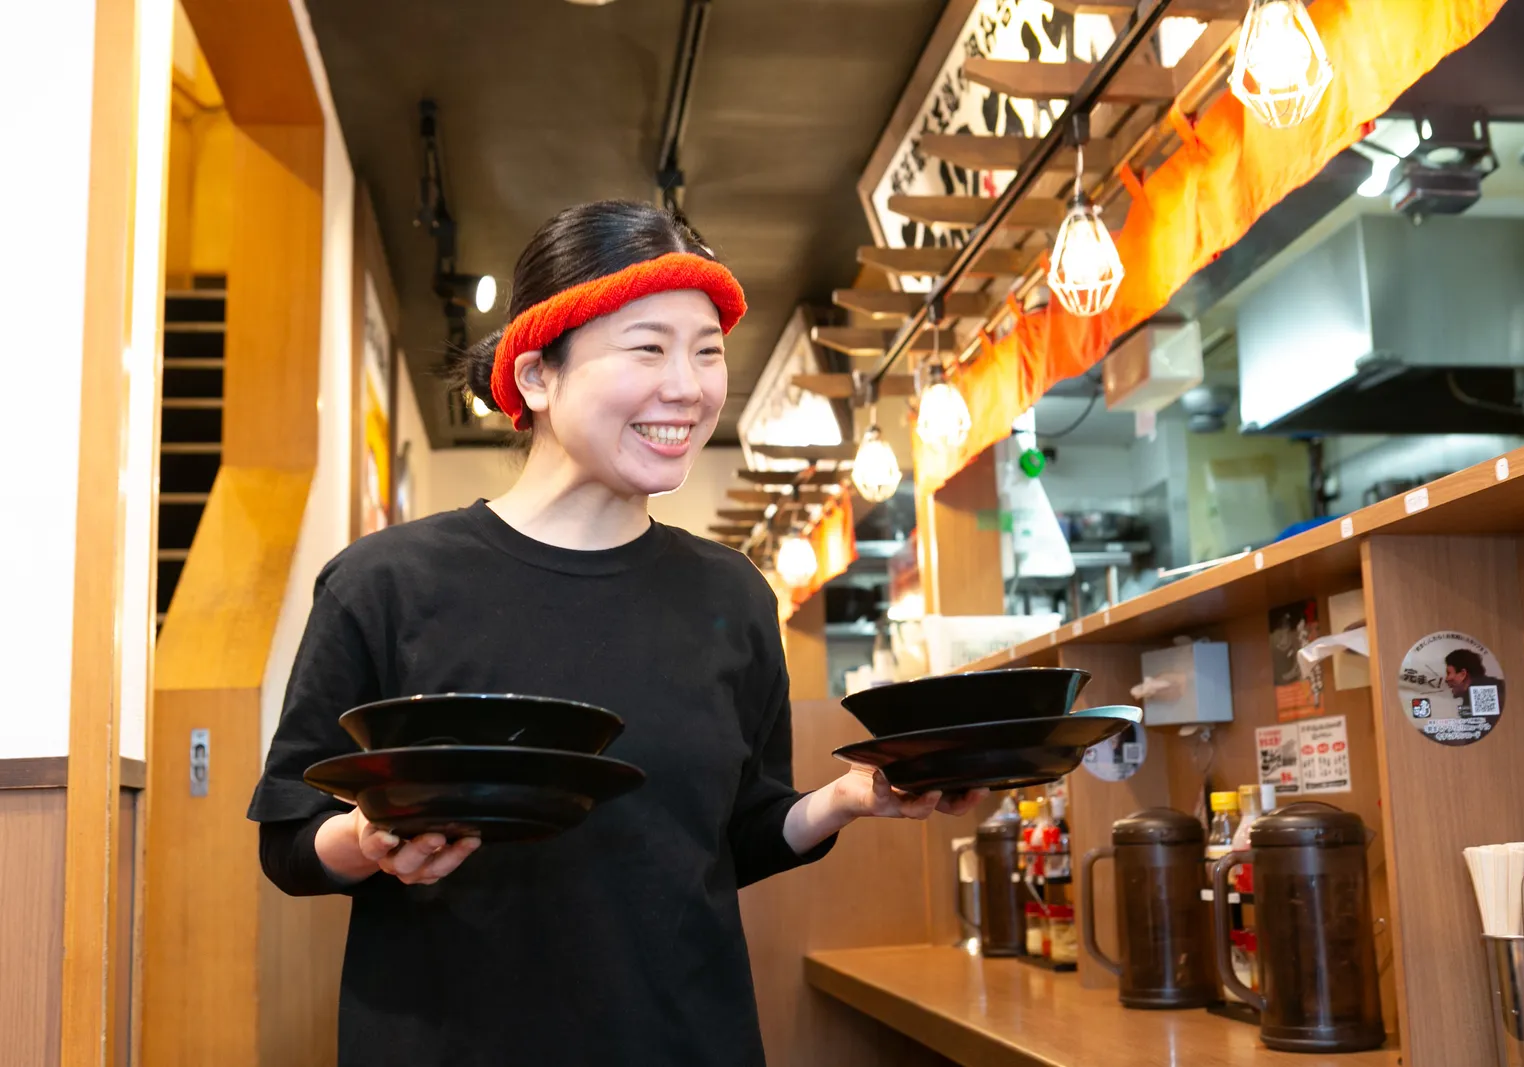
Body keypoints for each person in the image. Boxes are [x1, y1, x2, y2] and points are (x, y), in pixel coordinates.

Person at [247, 200, 983, 1067]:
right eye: (648, 347)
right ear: (535, 377)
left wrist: (848, 800)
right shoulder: (385, 582)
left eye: (707, 351)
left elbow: (734, 836)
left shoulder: (734, 596)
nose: (689, 386)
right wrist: (366, 839)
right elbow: (290, 838)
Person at [1443, 647, 1504, 715]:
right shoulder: (1491, 688)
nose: (1446, 679)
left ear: (1463, 674)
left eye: (1448, 673)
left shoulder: (1483, 696)